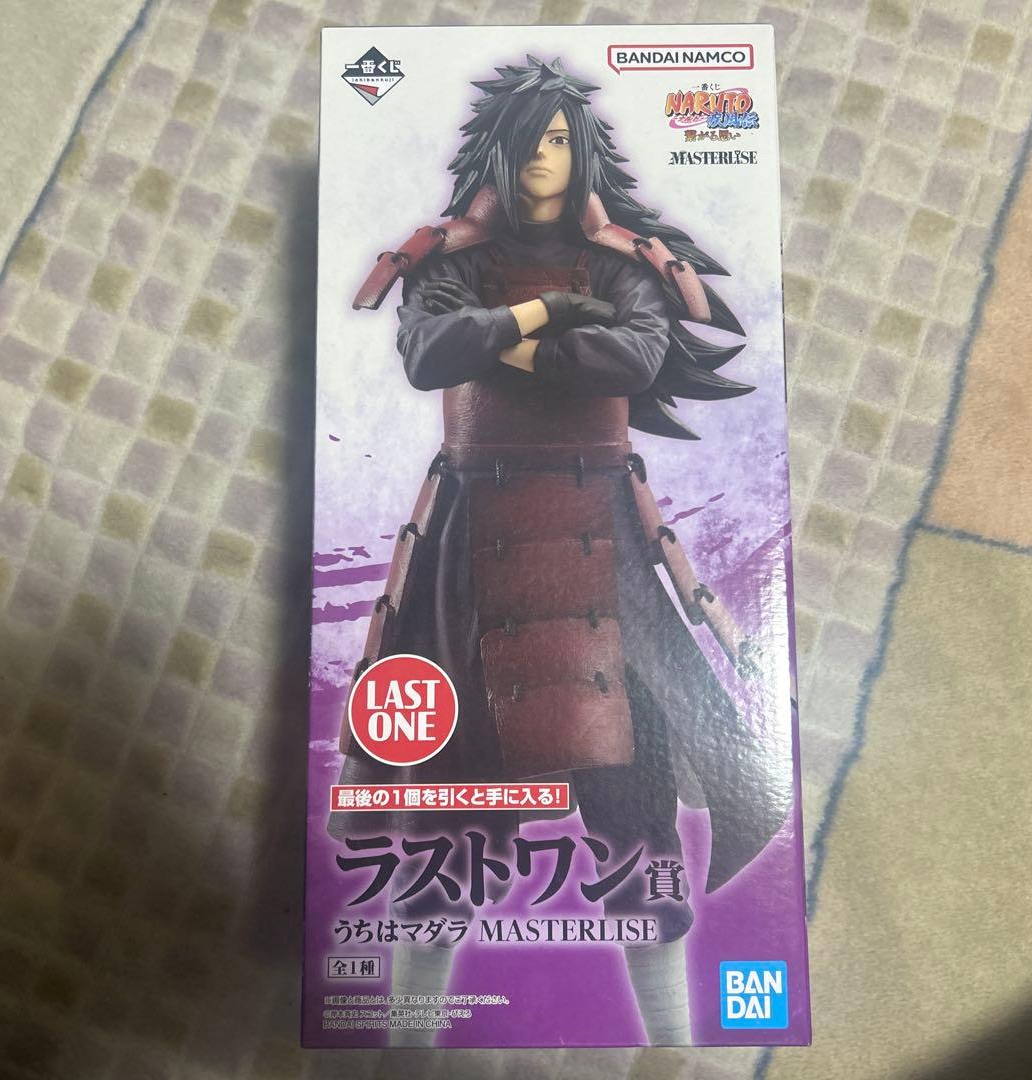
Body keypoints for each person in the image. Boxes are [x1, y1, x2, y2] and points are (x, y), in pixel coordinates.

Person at [330, 56, 791, 1046]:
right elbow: (426, 352)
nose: (544, 157)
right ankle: (408, 1050)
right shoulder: (449, 257)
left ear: (579, 151)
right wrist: (544, 313)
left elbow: (637, 355)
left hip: (605, 554)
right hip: (470, 553)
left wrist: (508, 344)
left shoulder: (623, 263)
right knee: (447, 823)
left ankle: (673, 1053)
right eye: (530, 139)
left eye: (558, 139)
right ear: (500, 149)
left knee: (637, 822)